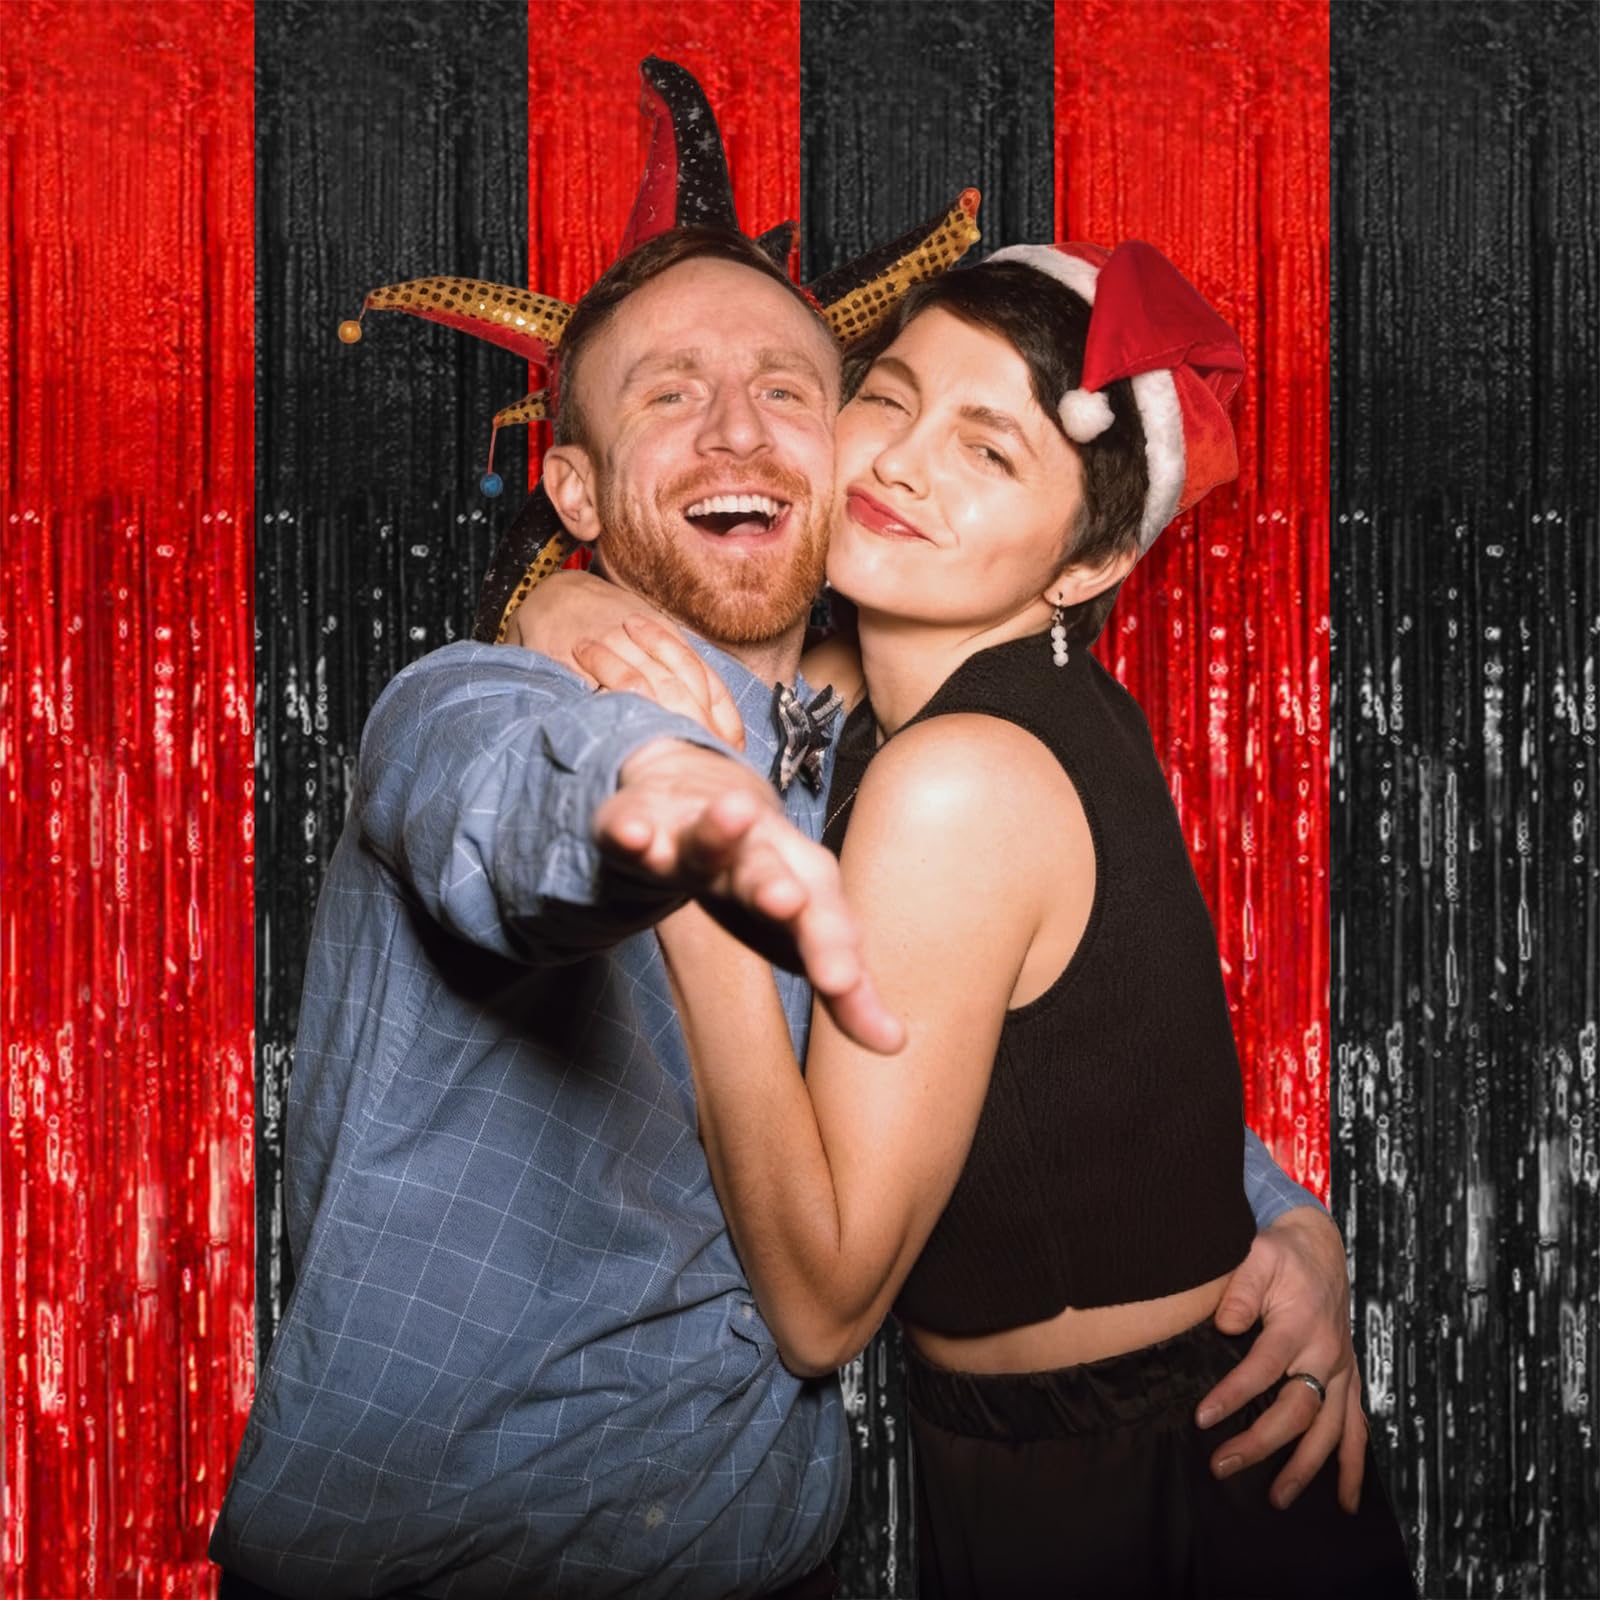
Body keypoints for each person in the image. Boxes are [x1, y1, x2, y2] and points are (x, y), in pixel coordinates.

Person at [535, 241, 1416, 1595]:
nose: (900, 463)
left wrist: (695, 885)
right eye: (888, 399)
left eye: (988, 451)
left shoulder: (956, 780)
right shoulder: (941, 707)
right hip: (1057, 1452)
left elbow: (823, 1311)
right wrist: (557, 596)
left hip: (1143, 1484)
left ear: (1090, 560)